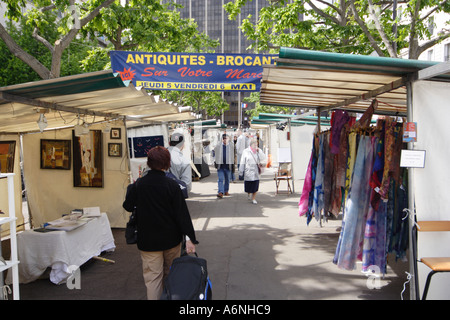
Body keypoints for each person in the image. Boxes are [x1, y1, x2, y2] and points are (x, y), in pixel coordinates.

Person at [122, 146, 198, 300]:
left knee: (153, 279)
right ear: (167, 163)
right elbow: (182, 214)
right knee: (172, 274)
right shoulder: (172, 185)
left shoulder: (139, 185)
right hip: (171, 239)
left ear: (149, 163)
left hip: (148, 240)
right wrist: (189, 238)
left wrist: (132, 189)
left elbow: (128, 206)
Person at [238, 138, 266, 204]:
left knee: (255, 186)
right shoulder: (246, 151)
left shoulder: (258, 151)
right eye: (254, 144)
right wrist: (241, 171)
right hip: (248, 171)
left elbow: (263, 158)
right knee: (248, 186)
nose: (255, 145)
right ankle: (249, 193)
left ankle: (253, 198)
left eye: (256, 144)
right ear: (251, 144)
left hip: (256, 171)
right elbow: (242, 161)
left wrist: (259, 151)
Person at [214, 133, 235, 198]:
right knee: (220, 179)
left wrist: (233, 165)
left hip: (228, 166)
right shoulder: (218, 146)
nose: (225, 140)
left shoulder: (231, 146)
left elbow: (233, 156)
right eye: (224, 139)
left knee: (227, 179)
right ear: (222, 139)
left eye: (226, 139)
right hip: (220, 166)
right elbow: (215, 154)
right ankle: (220, 192)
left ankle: (226, 190)